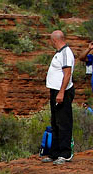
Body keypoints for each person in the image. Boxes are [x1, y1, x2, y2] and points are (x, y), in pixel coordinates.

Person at [44, 30, 75, 165]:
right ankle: (55, 153)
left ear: (55, 40)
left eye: (51, 40)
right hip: (55, 91)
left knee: (64, 122)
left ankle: (65, 153)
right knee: (55, 122)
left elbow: (67, 74)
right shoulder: (59, 53)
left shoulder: (66, 53)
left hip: (62, 92)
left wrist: (61, 92)